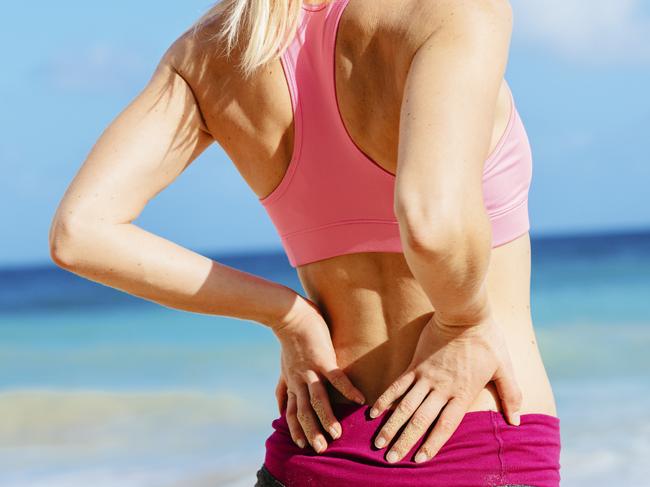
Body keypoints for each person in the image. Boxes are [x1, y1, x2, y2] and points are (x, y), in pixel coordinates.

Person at [48, 0, 561, 486]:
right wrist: (464, 319)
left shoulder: (213, 50)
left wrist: (287, 315)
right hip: (468, 440)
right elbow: (430, 222)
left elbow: (79, 233)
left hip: (316, 446)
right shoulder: (448, 12)